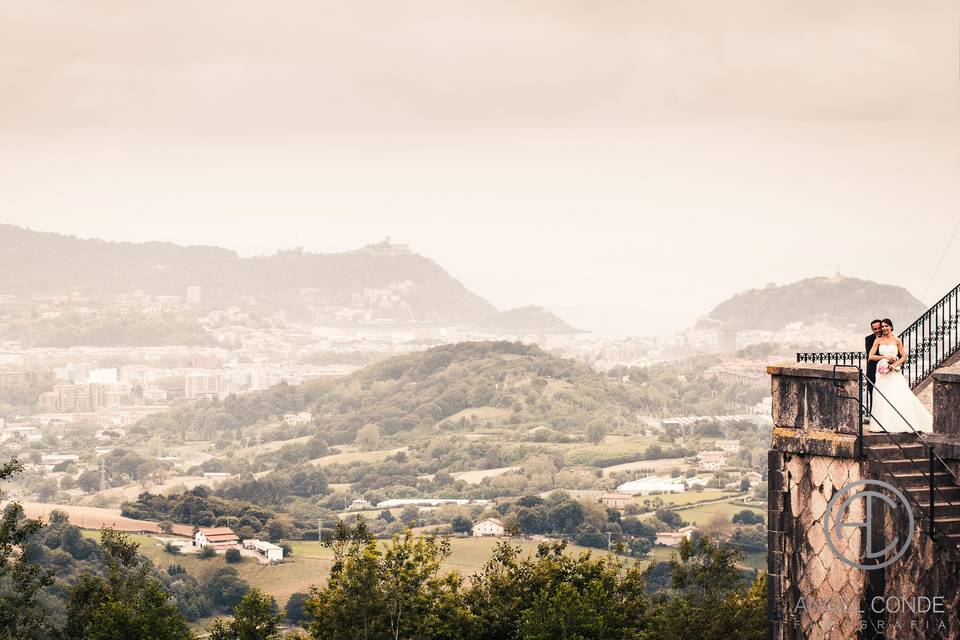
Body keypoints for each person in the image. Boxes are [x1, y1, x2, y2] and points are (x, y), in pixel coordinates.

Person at [867, 318, 932, 433]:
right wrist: (885, 357)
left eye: (886, 326)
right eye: (882, 326)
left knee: (898, 395)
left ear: (891, 327)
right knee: (882, 396)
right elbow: (871, 356)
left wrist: (894, 365)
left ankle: (900, 422)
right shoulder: (878, 341)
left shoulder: (897, 340)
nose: (884, 328)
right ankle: (883, 423)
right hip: (882, 374)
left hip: (894, 371)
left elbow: (903, 357)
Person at [864, 319, 883, 413]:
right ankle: (873, 417)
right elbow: (870, 356)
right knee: (873, 395)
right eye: (874, 329)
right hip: (872, 371)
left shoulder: (889, 339)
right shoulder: (869, 339)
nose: (877, 330)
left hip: (886, 372)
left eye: (879, 328)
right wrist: (885, 357)